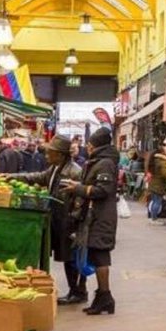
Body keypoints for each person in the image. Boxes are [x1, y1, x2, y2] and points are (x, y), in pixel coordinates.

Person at [1, 136, 84, 304]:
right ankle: (75, 291)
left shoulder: (74, 171)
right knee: (66, 256)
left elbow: (79, 200)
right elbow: (38, 177)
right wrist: (13, 176)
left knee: (72, 257)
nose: (46, 156)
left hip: (68, 220)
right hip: (57, 217)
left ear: (60, 155)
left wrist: (75, 220)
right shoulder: (54, 168)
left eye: (50, 153)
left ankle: (78, 292)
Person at [68, 127, 120, 315]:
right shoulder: (99, 161)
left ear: (95, 145)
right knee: (97, 254)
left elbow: (102, 190)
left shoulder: (105, 163)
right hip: (94, 215)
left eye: (89, 145)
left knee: (100, 255)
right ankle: (102, 297)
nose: (87, 148)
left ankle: (105, 297)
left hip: (101, 216)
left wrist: (79, 188)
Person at [146, 144, 166, 222]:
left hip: (154, 184)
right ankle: (154, 218)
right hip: (159, 185)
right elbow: (165, 174)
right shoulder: (162, 162)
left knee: (154, 201)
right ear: (162, 152)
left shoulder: (155, 160)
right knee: (157, 202)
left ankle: (152, 217)